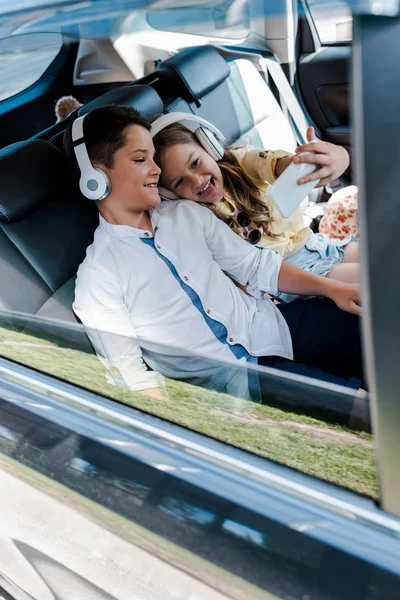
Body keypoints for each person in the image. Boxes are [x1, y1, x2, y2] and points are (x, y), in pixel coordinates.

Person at [64, 104, 364, 422]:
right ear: (94, 176)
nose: (155, 170)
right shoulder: (98, 276)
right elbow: (131, 377)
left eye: (153, 158)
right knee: (363, 409)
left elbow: (257, 266)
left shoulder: (187, 215)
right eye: (140, 159)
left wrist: (333, 290)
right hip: (233, 390)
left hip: (272, 327)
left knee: (376, 326)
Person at [152, 114, 359, 303]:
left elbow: (279, 166)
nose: (196, 180)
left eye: (195, 163)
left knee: (387, 257)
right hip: (290, 279)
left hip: (317, 245)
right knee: (378, 279)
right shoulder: (194, 217)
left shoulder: (242, 161)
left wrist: (321, 159)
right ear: (170, 194)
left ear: (209, 146)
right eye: (179, 182)